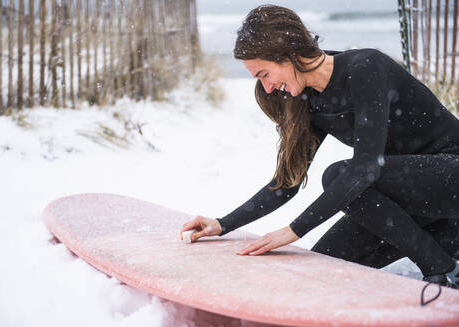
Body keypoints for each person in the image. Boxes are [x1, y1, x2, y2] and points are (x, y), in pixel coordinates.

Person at [180, 4, 459, 289]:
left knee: (339, 176)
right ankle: (442, 245)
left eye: (264, 74)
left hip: (451, 179)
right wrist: (223, 223)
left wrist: (295, 230)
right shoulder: (311, 102)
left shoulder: (366, 68)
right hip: (414, 205)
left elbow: (366, 168)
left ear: (286, 54)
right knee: (323, 267)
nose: (267, 87)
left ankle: (441, 268)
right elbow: (286, 184)